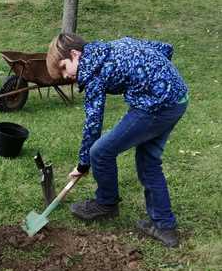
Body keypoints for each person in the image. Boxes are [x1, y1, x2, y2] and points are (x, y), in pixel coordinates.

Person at [46, 33, 188, 248]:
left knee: (100, 151)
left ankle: (106, 204)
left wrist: (83, 164)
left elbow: (93, 124)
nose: (65, 76)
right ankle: (164, 226)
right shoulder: (113, 46)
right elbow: (165, 47)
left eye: (64, 67)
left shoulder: (93, 72)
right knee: (148, 161)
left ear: (75, 54)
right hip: (178, 98)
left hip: (156, 107)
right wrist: (156, 76)